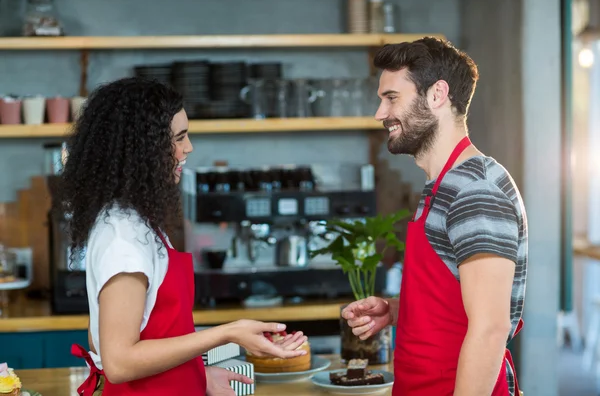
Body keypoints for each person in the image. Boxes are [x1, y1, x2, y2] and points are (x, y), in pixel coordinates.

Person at [59, 77, 308, 396]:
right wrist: (228, 333)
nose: (188, 147)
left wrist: (198, 375)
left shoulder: (135, 222)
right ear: (143, 150)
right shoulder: (124, 237)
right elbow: (119, 362)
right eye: (179, 138)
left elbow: (104, 336)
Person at [342, 37, 527, 396]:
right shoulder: (442, 186)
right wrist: (399, 310)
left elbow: (490, 328)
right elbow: (459, 297)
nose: (380, 114)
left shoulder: (476, 191)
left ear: (437, 94)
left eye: (391, 98)